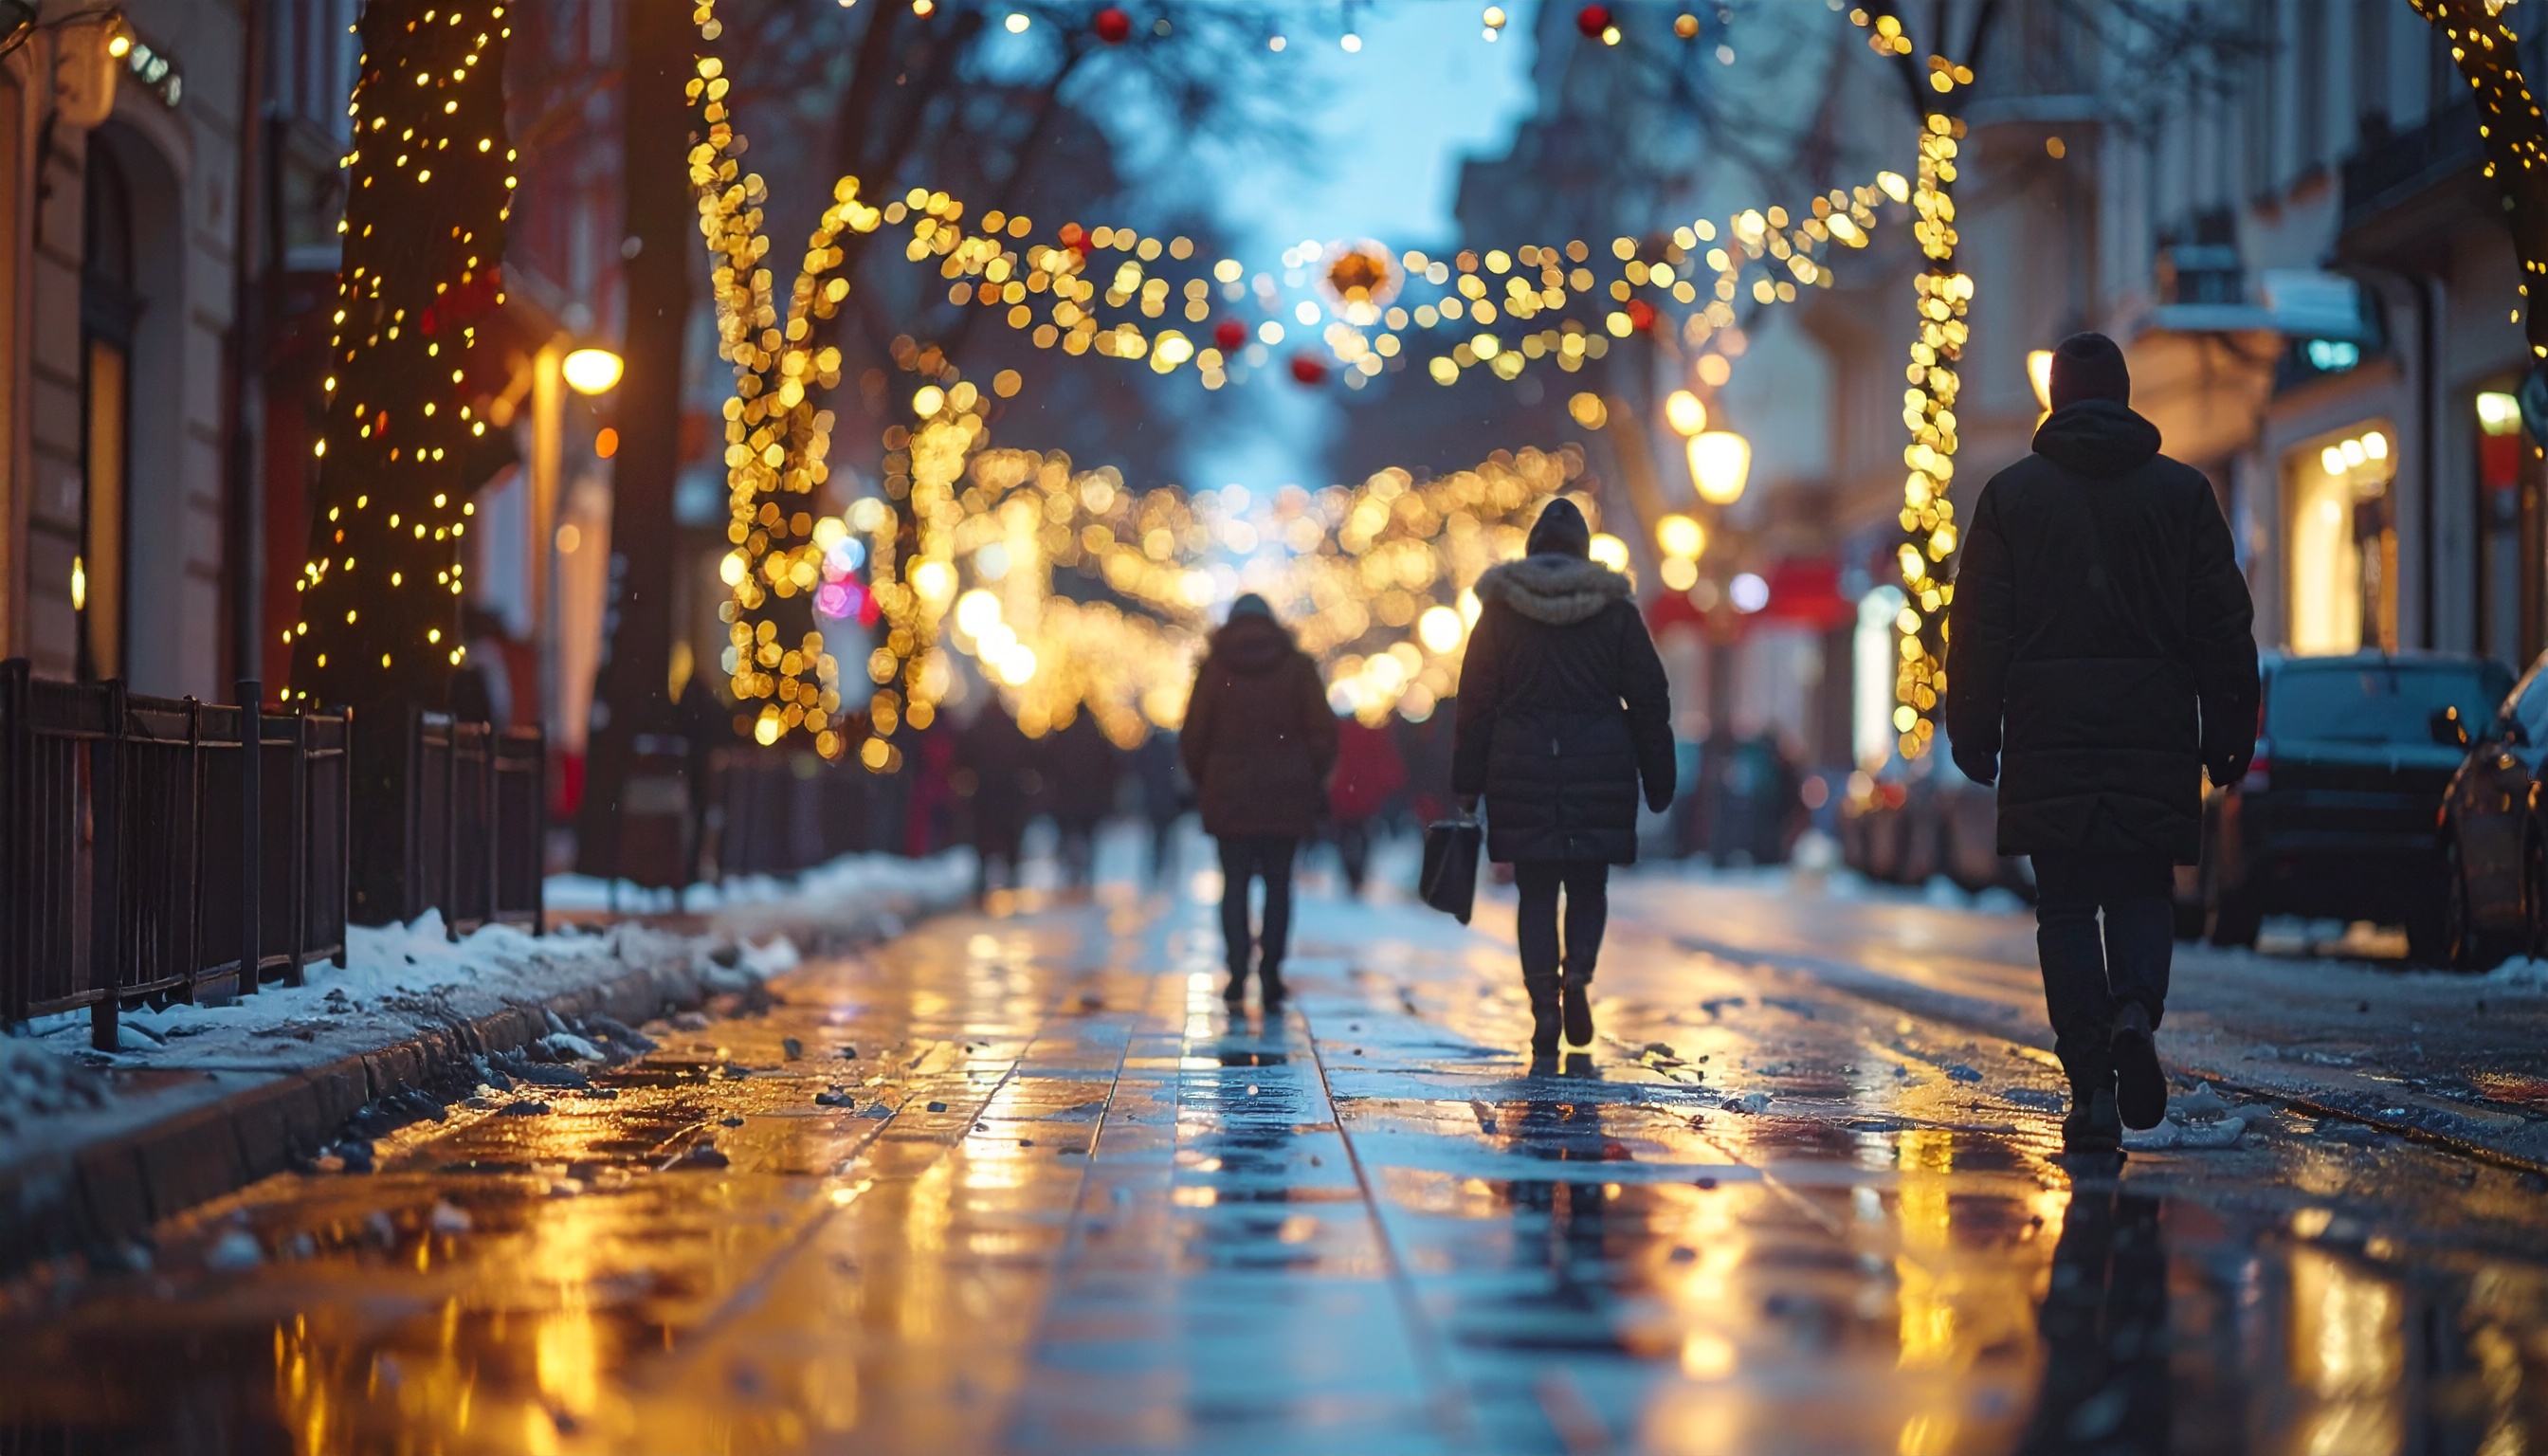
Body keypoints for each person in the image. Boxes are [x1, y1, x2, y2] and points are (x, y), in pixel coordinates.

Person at [1945, 331, 2258, 1155]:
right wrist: (2230, 729)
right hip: (2154, 734)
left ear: (2055, 399)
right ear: (2123, 396)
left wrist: (1974, 726)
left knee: (2067, 906)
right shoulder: (2183, 496)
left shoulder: (2011, 499)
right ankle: (2133, 1012)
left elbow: (1977, 628)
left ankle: (2090, 1085)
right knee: (2142, 891)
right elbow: (2224, 628)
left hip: (2049, 737)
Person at [1454, 498, 1675, 1055]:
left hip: (1520, 764)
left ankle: (1543, 1005)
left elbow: (1475, 702)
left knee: (1534, 890)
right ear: (1584, 552)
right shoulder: (1615, 611)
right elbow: (1649, 696)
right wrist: (1659, 775)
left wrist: (1466, 783)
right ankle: (1577, 973)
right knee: (1587, 883)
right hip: (1599, 764)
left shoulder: (1501, 613)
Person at [1181, 593, 1337, 1007]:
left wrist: (1209, 780)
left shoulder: (1215, 669)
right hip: (1287, 796)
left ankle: (1236, 969)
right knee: (1279, 885)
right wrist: (1308, 775)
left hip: (1229, 796)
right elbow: (1323, 732)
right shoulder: (1297, 668)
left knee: (1233, 885)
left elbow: (1193, 735)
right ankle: (1270, 972)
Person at [1328, 714, 1408, 897]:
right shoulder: (1372, 735)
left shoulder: (1339, 733)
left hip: (1342, 793)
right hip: (1366, 794)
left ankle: (1350, 873)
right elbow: (1384, 759)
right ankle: (1358, 874)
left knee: (1344, 834)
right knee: (1363, 835)